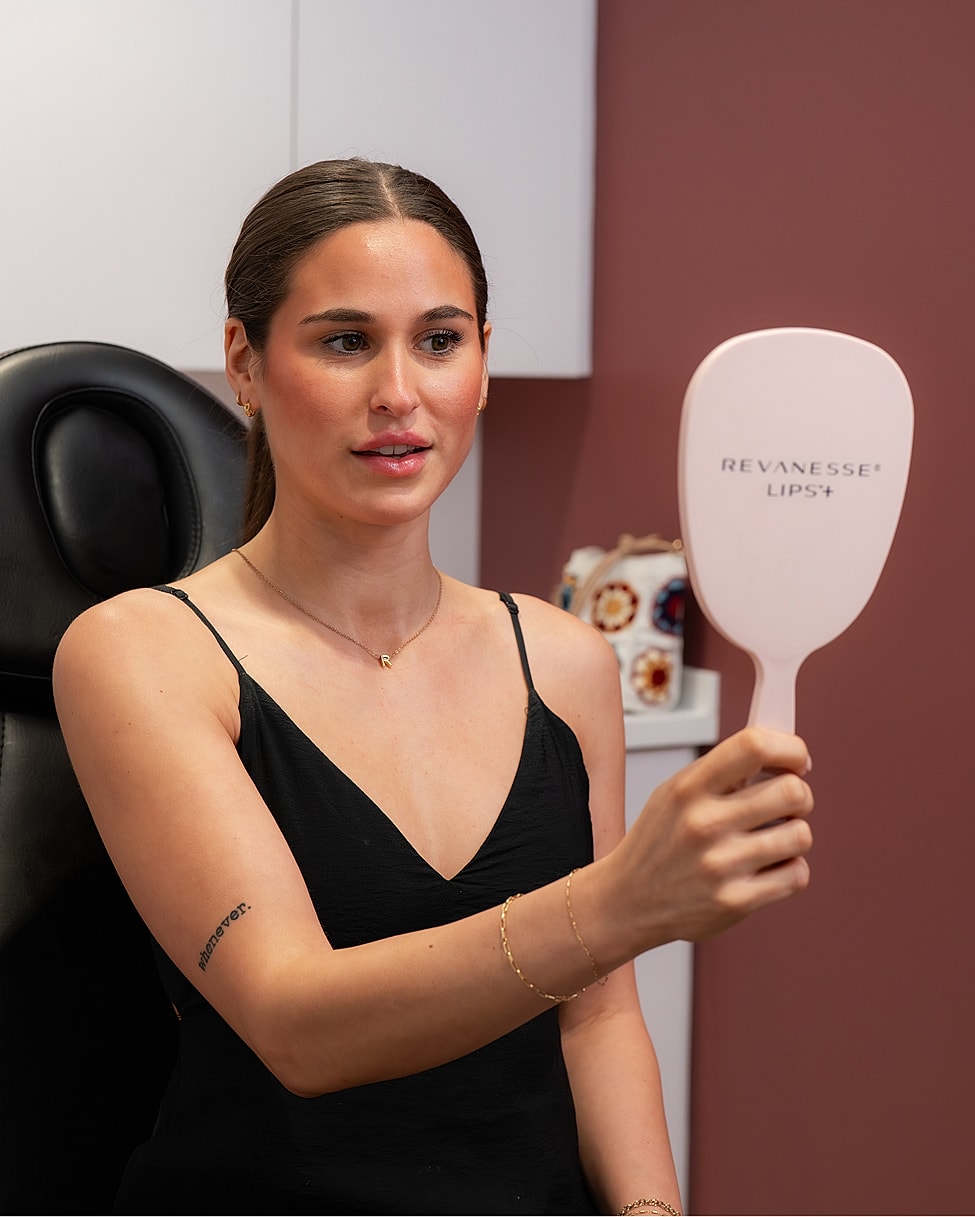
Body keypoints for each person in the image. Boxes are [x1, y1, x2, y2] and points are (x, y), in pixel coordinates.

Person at [52, 158, 813, 1216]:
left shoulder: (564, 659)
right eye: (346, 340)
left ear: (483, 364)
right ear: (244, 360)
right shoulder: (141, 651)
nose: (399, 392)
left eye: (440, 339)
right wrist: (624, 899)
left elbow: (596, 1021)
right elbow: (294, 1021)